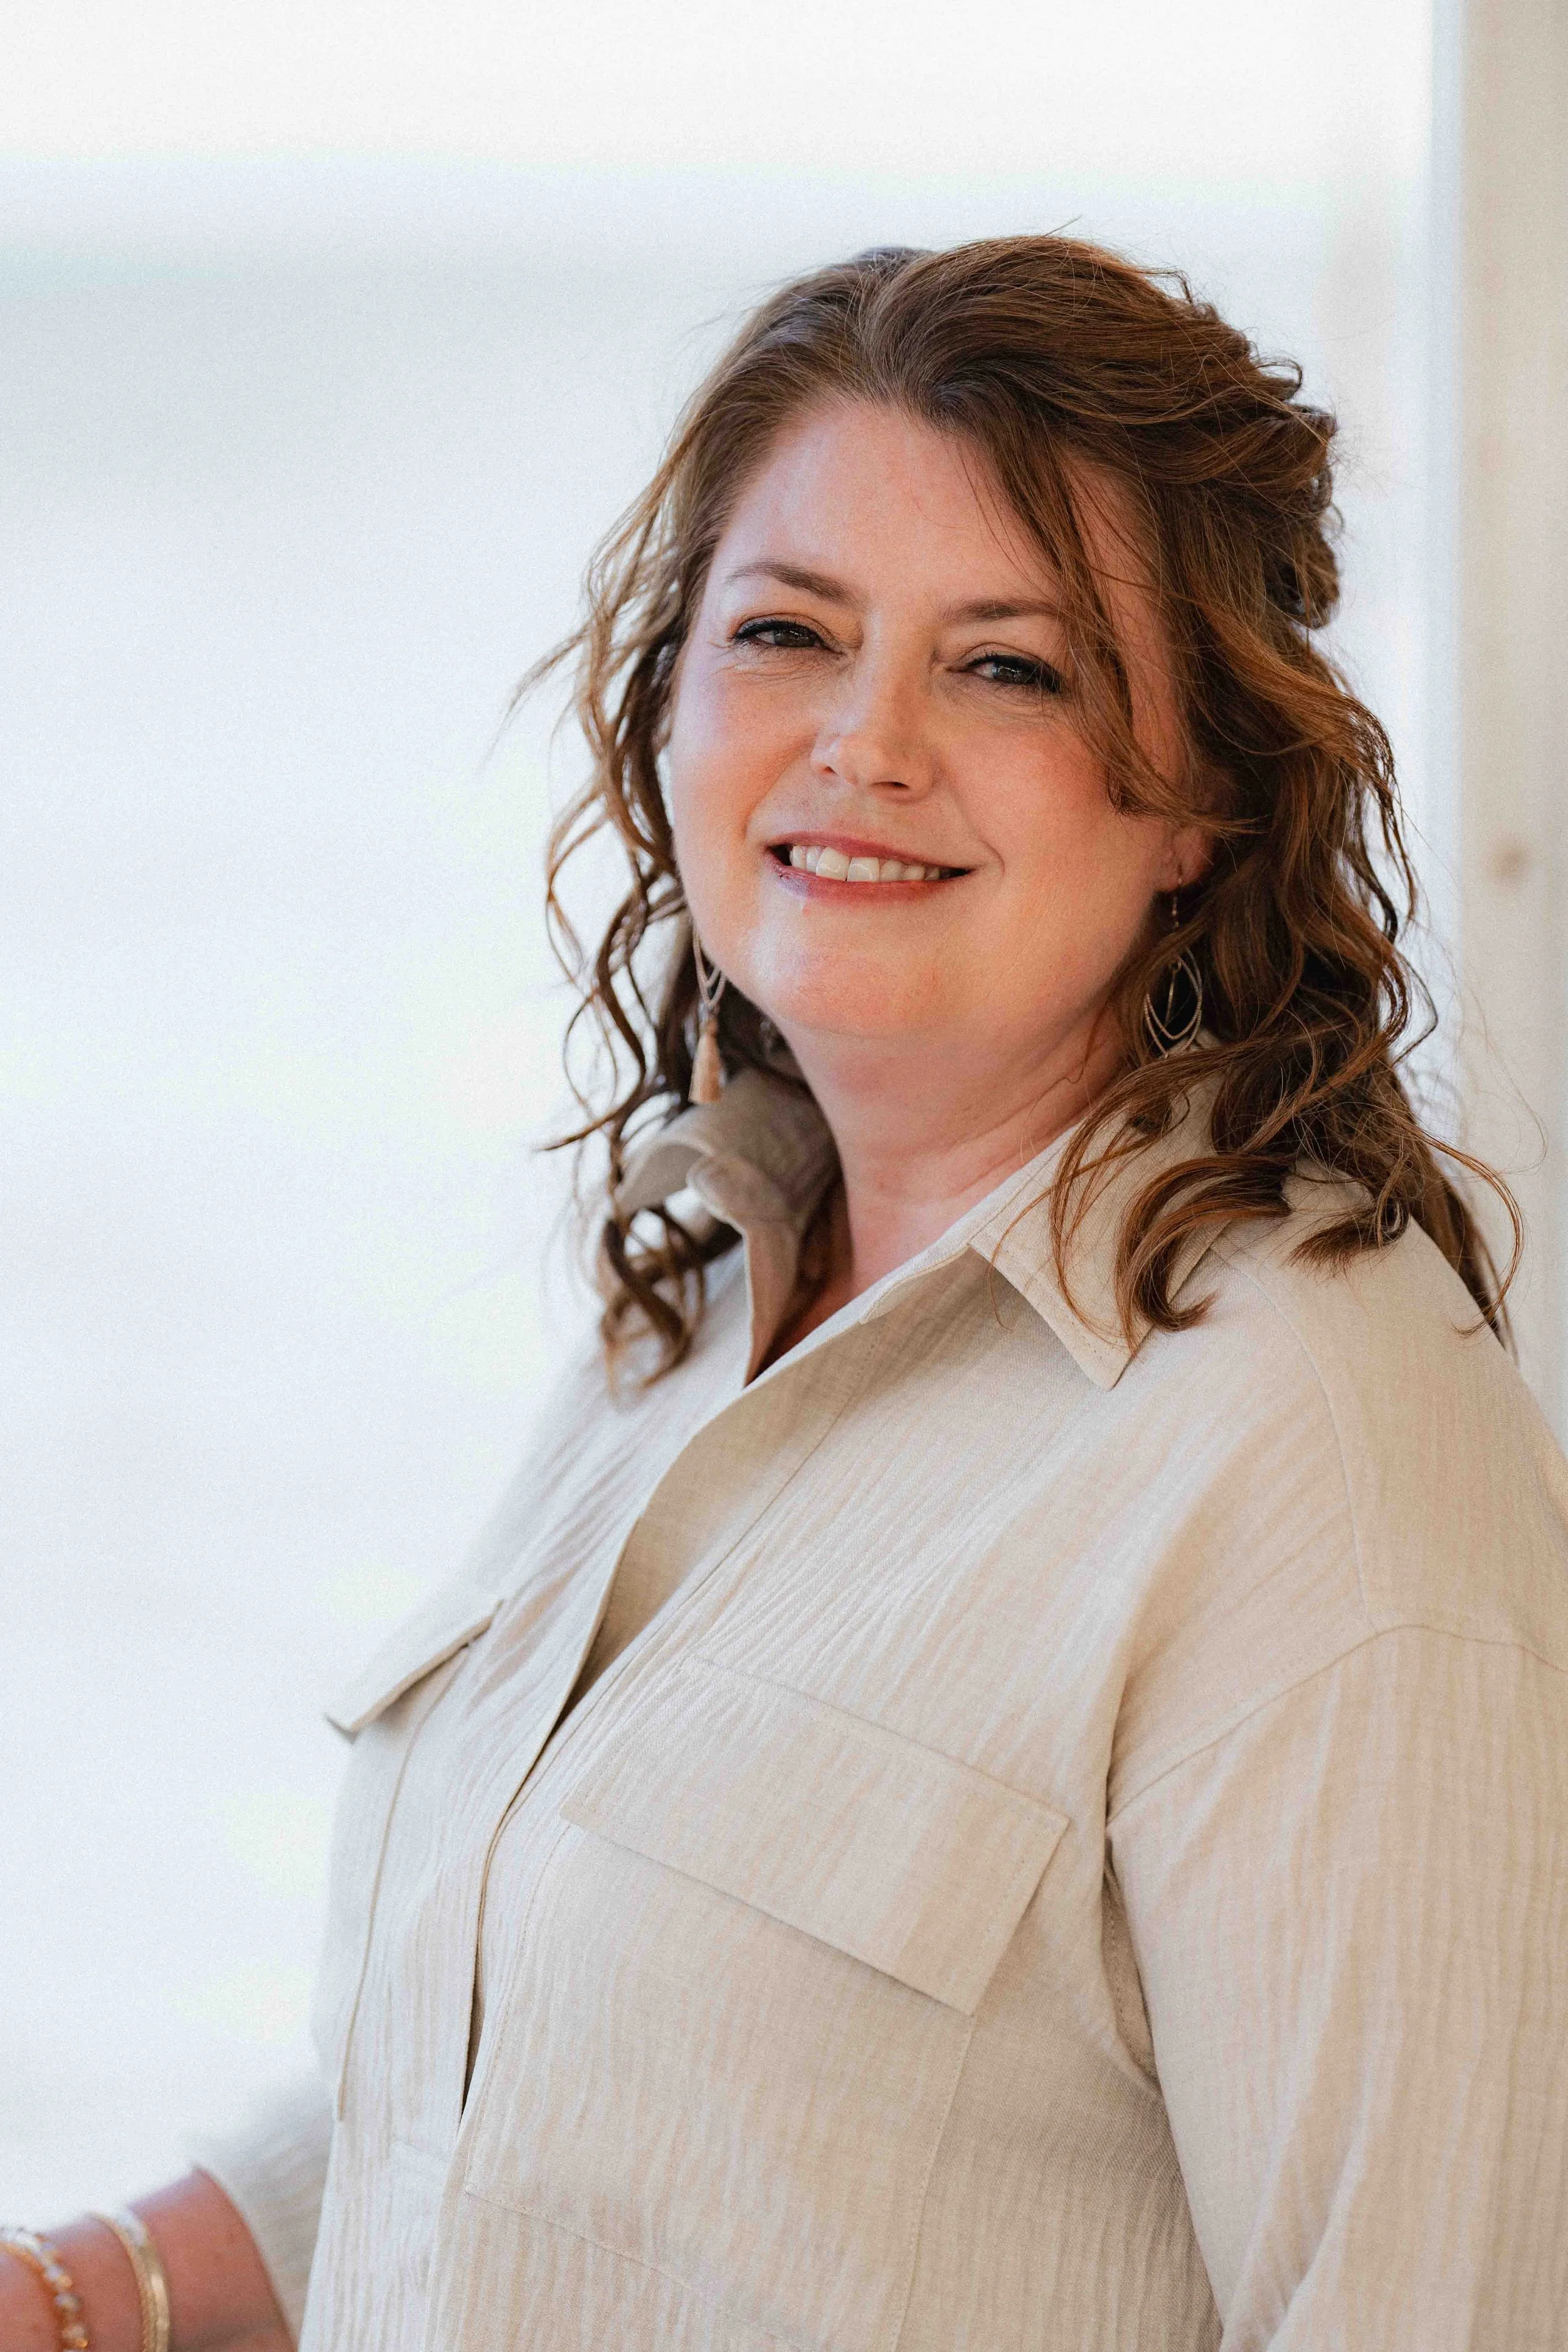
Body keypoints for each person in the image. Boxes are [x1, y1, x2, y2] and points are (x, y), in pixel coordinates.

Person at [6, 236, 1565, 2352]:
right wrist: (79, 2294)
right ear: (669, 700)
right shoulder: (693, 1310)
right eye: (785, 633)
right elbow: (544, 2099)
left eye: (1007, 667)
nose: (863, 741)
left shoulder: (1320, 1449)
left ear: (1201, 794)